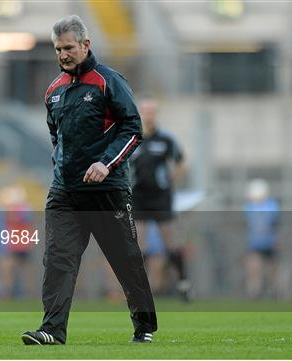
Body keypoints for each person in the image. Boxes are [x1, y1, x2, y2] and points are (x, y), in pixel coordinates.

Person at [21, 15, 157, 346]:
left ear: (85, 45)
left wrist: (106, 164)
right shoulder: (53, 91)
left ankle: (144, 326)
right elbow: (57, 137)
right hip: (65, 193)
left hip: (107, 191)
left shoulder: (109, 81)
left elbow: (132, 128)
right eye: (57, 49)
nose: (62, 55)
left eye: (68, 47)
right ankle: (52, 330)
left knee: (125, 261)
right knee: (58, 259)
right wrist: (62, 169)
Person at [130, 99, 190, 301]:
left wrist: (171, 179)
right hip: (138, 197)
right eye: (145, 111)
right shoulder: (131, 137)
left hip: (160, 198)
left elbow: (181, 162)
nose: (148, 115)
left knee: (170, 243)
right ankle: (140, 288)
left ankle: (183, 282)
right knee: (139, 244)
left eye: (152, 111)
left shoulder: (165, 139)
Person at [243, 178, 280, 299]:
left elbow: (275, 224)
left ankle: (273, 290)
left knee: (271, 269)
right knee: (253, 268)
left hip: (269, 243)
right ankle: (254, 291)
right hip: (255, 244)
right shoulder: (249, 207)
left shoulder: (271, 206)